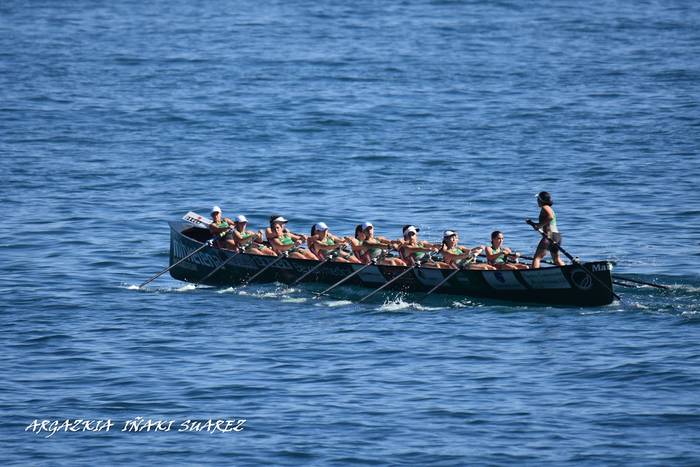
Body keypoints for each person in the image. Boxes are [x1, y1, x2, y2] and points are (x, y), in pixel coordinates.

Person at [526, 191, 565, 268]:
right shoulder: (548, 208)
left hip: (550, 235)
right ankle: (568, 271)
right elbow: (546, 223)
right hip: (556, 236)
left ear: (541, 200)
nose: (537, 201)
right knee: (556, 260)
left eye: (538, 199)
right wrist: (534, 224)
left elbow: (550, 217)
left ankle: (534, 276)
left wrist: (539, 225)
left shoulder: (545, 207)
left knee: (537, 258)